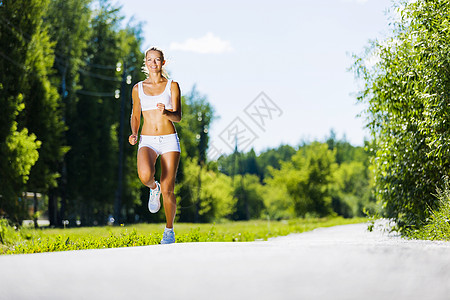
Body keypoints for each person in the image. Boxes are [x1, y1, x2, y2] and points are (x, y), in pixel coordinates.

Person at [128, 47, 181, 244]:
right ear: (146, 63)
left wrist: (166, 112)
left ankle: (169, 231)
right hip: (147, 140)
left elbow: (179, 116)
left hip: (169, 140)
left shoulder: (172, 86)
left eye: (157, 60)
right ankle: (153, 187)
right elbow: (135, 115)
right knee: (144, 176)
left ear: (163, 63)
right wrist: (134, 132)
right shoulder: (138, 88)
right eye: (150, 60)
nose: (153, 63)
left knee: (169, 189)